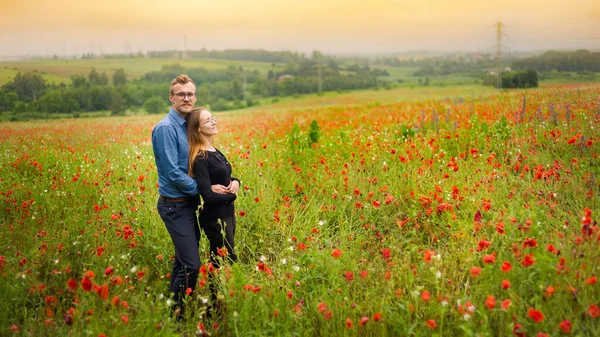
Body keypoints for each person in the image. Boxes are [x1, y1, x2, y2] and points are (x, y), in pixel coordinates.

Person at [151, 74, 201, 320]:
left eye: (190, 94)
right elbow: (172, 173)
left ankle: (174, 310)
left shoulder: (189, 125)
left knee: (183, 262)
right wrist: (203, 189)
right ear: (171, 98)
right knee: (192, 265)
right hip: (175, 207)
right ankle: (176, 315)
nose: (186, 98)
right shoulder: (166, 128)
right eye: (181, 94)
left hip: (189, 204)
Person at [186, 108, 240, 310]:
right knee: (226, 258)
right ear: (198, 128)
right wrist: (233, 195)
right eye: (208, 121)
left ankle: (218, 302)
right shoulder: (200, 157)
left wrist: (236, 182)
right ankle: (216, 304)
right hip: (215, 218)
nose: (213, 122)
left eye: (213, 119)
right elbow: (207, 195)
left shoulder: (215, 150)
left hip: (227, 213)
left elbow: (225, 177)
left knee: (220, 258)